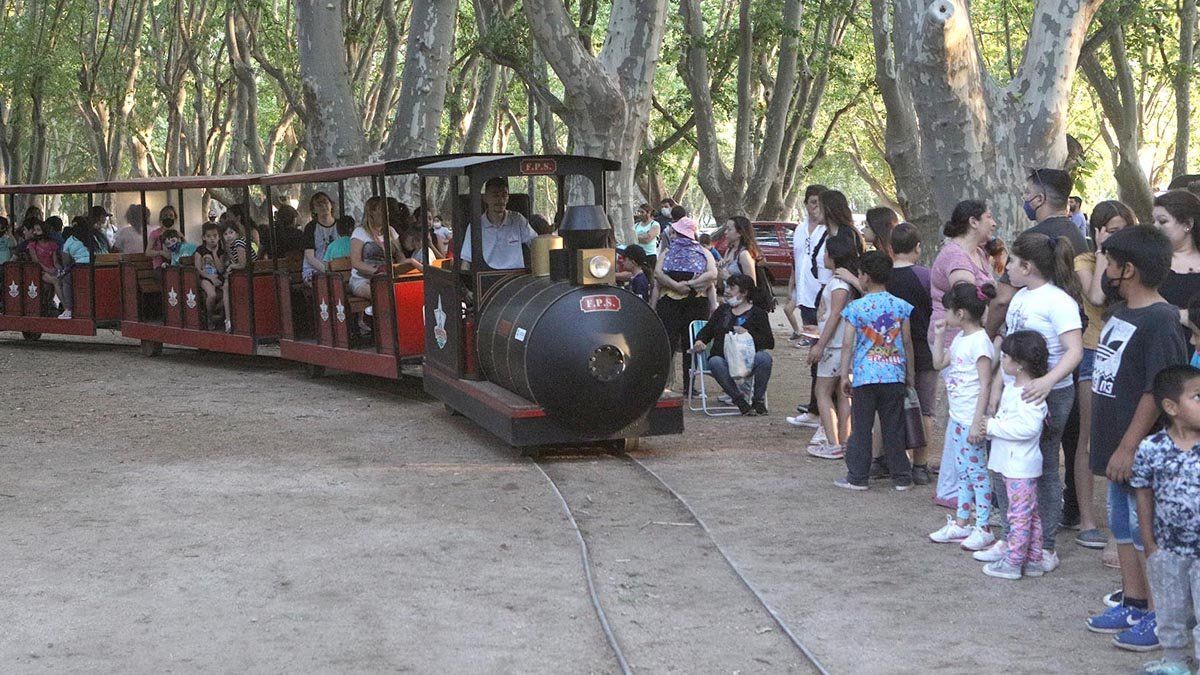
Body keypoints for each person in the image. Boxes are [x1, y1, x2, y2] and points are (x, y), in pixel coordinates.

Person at [1083, 226, 1187, 651]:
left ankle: (1165, 617)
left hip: (1140, 452)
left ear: (1130, 268)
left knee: (1150, 535)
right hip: (1115, 447)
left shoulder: (1161, 320)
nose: (1106, 269)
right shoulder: (1121, 312)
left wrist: (1128, 446)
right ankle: (1135, 601)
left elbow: (1156, 388)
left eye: (1111, 262)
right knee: (1123, 529)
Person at [975, 231, 1083, 574]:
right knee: (1005, 465)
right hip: (1014, 390)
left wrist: (1047, 382)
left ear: (1028, 265)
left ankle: (1044, 545)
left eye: (1012, 262)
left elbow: (1074, 350)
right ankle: (1011, 537)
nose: (1006, 268)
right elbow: (1007, 342)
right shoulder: (1020, 298)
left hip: (1050, 393)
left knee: (1044, 467)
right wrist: (995, 385)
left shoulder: (1058, 302)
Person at [1066, 200, 1135, 549]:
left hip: (1129, 353)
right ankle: (1087, 520)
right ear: (1096, 231)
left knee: (1125, 438)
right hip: (1094, 351)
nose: (1116, 235)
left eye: (1122, 229)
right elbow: (1094, 295)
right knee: (1089, 439)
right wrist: (1104, 252)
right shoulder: (1087, 261)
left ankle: (1120, 524)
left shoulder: (1137, 264)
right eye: (1109, 228)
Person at [1130, 365, 1200, 674]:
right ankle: (1174, 661)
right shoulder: (1151, 448)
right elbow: (1143, 493)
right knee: (1170, 608)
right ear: (1171, 407)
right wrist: (1148, 542)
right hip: (1167, 549)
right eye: (1198, 397)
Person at [930, 199, 996, 506]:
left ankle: (954, 486)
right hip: (960, 342)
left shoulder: (979, 253)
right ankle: (955, 488)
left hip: (973, 341)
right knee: (963, 413)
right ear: (972, 221)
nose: (993, 223)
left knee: (965, 413)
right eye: (988, 217)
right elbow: (969, 300)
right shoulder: (956, 255)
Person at [835, 251, 915, 490]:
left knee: (861, 428)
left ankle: (858, 476)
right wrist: (909, 372)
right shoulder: (901, 306)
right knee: (893, 426)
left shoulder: (856, 308)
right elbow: (907, 341)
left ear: (866, 277)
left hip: (865, 375)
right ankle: (902, 476)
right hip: (894, 375)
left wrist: (843, 375)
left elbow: (848, 343)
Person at [928, 282, 997, 549]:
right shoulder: (960, 339)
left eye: (947, 312)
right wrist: (938, 336)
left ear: (961, 314)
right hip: (959, 417)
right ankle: (962, 522)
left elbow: (985, 384)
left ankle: (983, 525)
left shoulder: (980, 343)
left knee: (977, 473)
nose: (943, 316)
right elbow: (938, 364)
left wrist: (978, 421)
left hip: (970, 418)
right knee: (964, 472)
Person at [982, 330, 1052, 580]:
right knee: (1028, 514)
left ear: (1019, 363)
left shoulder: (1030, 394)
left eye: (1006, 357)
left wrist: (991, 427)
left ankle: (1013, 561)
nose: (1002, 361)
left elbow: (1028, 428)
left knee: (1019, 516)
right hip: (1011, 463)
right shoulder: (1014, 388)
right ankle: (1032, 559)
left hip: (1020, 466)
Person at [989, 168, 1088, 334]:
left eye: (1027, 193)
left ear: (1039, 199)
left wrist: (987, 334)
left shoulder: (1030, 238)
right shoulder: (1077, 235)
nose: (1025, 198)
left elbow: (1003, 299)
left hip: (1032, 339)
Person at [881, 222, 934, 484]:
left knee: (887, 408)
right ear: (918, 248)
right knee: (924, 408)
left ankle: (886, 458)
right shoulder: (926, 276)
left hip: (888, 350)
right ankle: (921, 465)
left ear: (891, 248)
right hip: (923, 347)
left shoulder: (884, 277)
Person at [805, 235, 858, 459]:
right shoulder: (844, 282)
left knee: (822, 392)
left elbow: (835, 315)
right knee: (842, 393)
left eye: (826, 252)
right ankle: (843, 441)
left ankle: (833, 442)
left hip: (835, 347)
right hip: (843, 345)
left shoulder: (838, 284)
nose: (823, 257)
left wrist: (820, 344)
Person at [690, 273, 774, 415]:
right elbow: (707, 330)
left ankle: (758, 400)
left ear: (744, 292)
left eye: (732, 288)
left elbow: (769, 341)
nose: (727, 291)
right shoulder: (722, 311)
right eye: (727, 287)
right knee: (715, 361)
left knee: (765, 358)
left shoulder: (759, 314)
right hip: (724, 359)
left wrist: (748, 334)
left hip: (748, 360)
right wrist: (699, 340)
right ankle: (740, 401)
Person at [654, 210, 718, 393]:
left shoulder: (667, 252)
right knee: (690, 343)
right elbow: (712, 275)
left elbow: (658, 274)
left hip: (671, 301)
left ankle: (667, 384)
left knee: (670, 343)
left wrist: (677, 285)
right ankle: (688, 386)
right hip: (696, 301)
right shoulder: (704, 252)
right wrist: (691, 285)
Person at [1151, 190, 1200, 354]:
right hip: (1158, 348)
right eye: (1154, 221)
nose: (1155, 227)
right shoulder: (1150, 261)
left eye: (1163, 221)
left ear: (1188, 224)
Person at [460, 177, 536, 270]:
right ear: (485, 198)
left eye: (504, 195)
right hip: (486, 279)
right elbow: (466, 261)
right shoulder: (475, 226)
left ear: (508, 198)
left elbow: (536, 244)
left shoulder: (518, 220)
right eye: (495, 195)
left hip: (516, 278)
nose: (500, 200)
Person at [787, 184, 829, 342]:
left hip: (822, 295)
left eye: (820, 202)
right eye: (813, 202)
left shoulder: (828, 230)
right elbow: (796, 261)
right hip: (804, 296)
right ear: (805, 204)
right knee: (812, 344)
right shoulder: (799, 229)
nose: (816, 206)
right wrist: (792, 288)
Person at [194, 222, 225, 330]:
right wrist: (210, 278)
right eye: (209, 236)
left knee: (228, 293)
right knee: (212, 295)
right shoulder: (200, 250)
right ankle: (209, 316)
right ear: (204, 237)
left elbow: (221, 269)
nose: (212, 239)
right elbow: (198, 268)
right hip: (205, 278)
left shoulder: (220, 252)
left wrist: (215, 253)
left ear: (219, 237)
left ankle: (216, 311)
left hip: (218, 277)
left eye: (215, 236)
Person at [302, 191, 338, 283]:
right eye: (319, 204)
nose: (323, 206)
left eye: (325, 202)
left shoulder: (340, 225)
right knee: (321, 285)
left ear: (331, 205)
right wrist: (327, 270)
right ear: (313, 210)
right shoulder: (311, 227)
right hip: (314, 270)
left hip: (338, 268)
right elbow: (310, 257)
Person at [718, 216, 761, 283]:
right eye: (726, 229)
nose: (725, 232)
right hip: (728, 293)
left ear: (740, 233)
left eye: (729, 229)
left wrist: (728, 277)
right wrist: (720, 268)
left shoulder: (744, 254)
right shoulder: (729, 250)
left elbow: (751, 285)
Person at [633, 203, 660, 270]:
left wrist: (636, 236)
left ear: (648, 213)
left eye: (642, 212)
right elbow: (631, 237)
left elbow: (647, 239)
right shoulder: (636, 225)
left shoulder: (654, 224)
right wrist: (642, 236)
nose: (640, 214)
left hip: (649, 255)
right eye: (639, 212)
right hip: (638, 255)